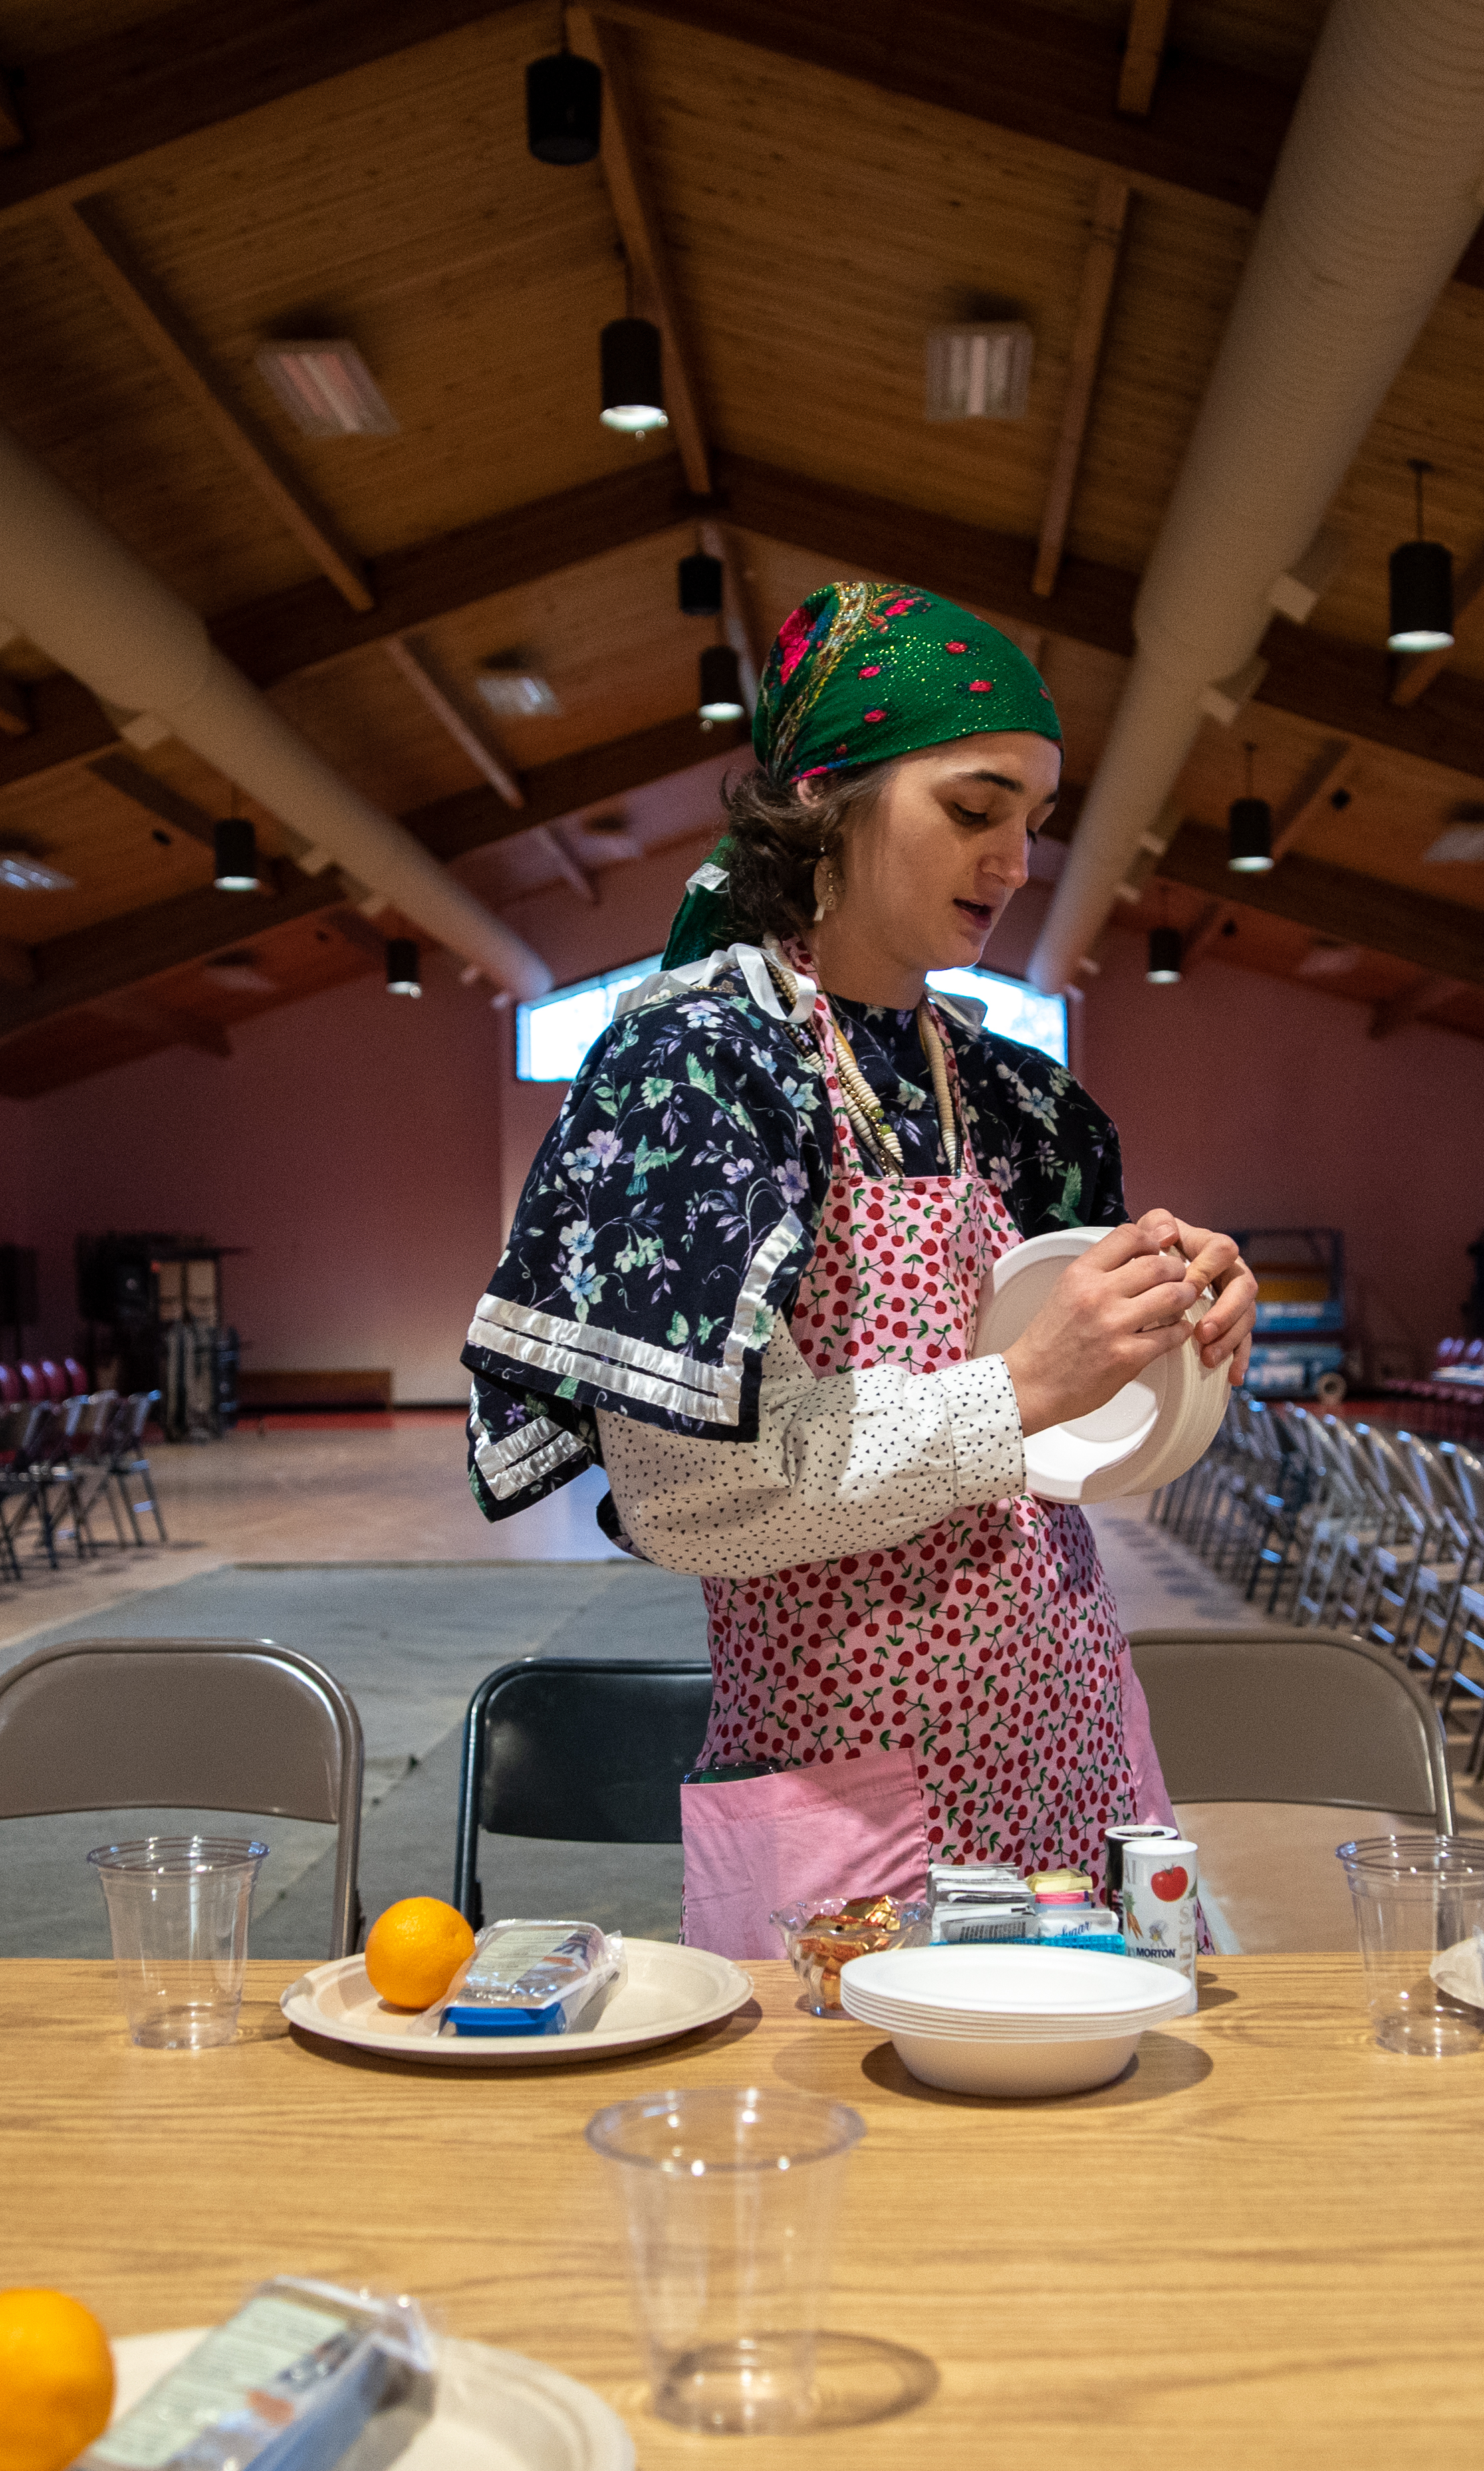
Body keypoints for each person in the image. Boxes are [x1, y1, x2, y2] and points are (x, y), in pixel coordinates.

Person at [463, 582, 1256, 1952]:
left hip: (1070, 1763)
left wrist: (1172, 1346)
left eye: (1030, 821)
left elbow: (1070, 1459)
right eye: (973, 807)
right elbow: (692, 1501)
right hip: (851, 1817)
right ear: (825, 796)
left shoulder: (1019, 1100)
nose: (1013, 862)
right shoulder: (697, 1072)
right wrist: (1015, 1386)